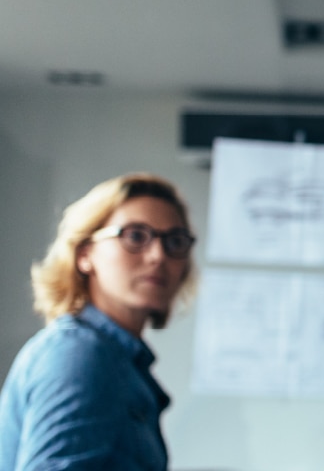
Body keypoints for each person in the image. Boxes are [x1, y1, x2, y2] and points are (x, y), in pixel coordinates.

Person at [0, 173, 197, 470]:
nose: (158, 255)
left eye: (175, 241)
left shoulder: (117, 360)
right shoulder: (80, 355)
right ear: (85, 254)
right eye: (134, 236)